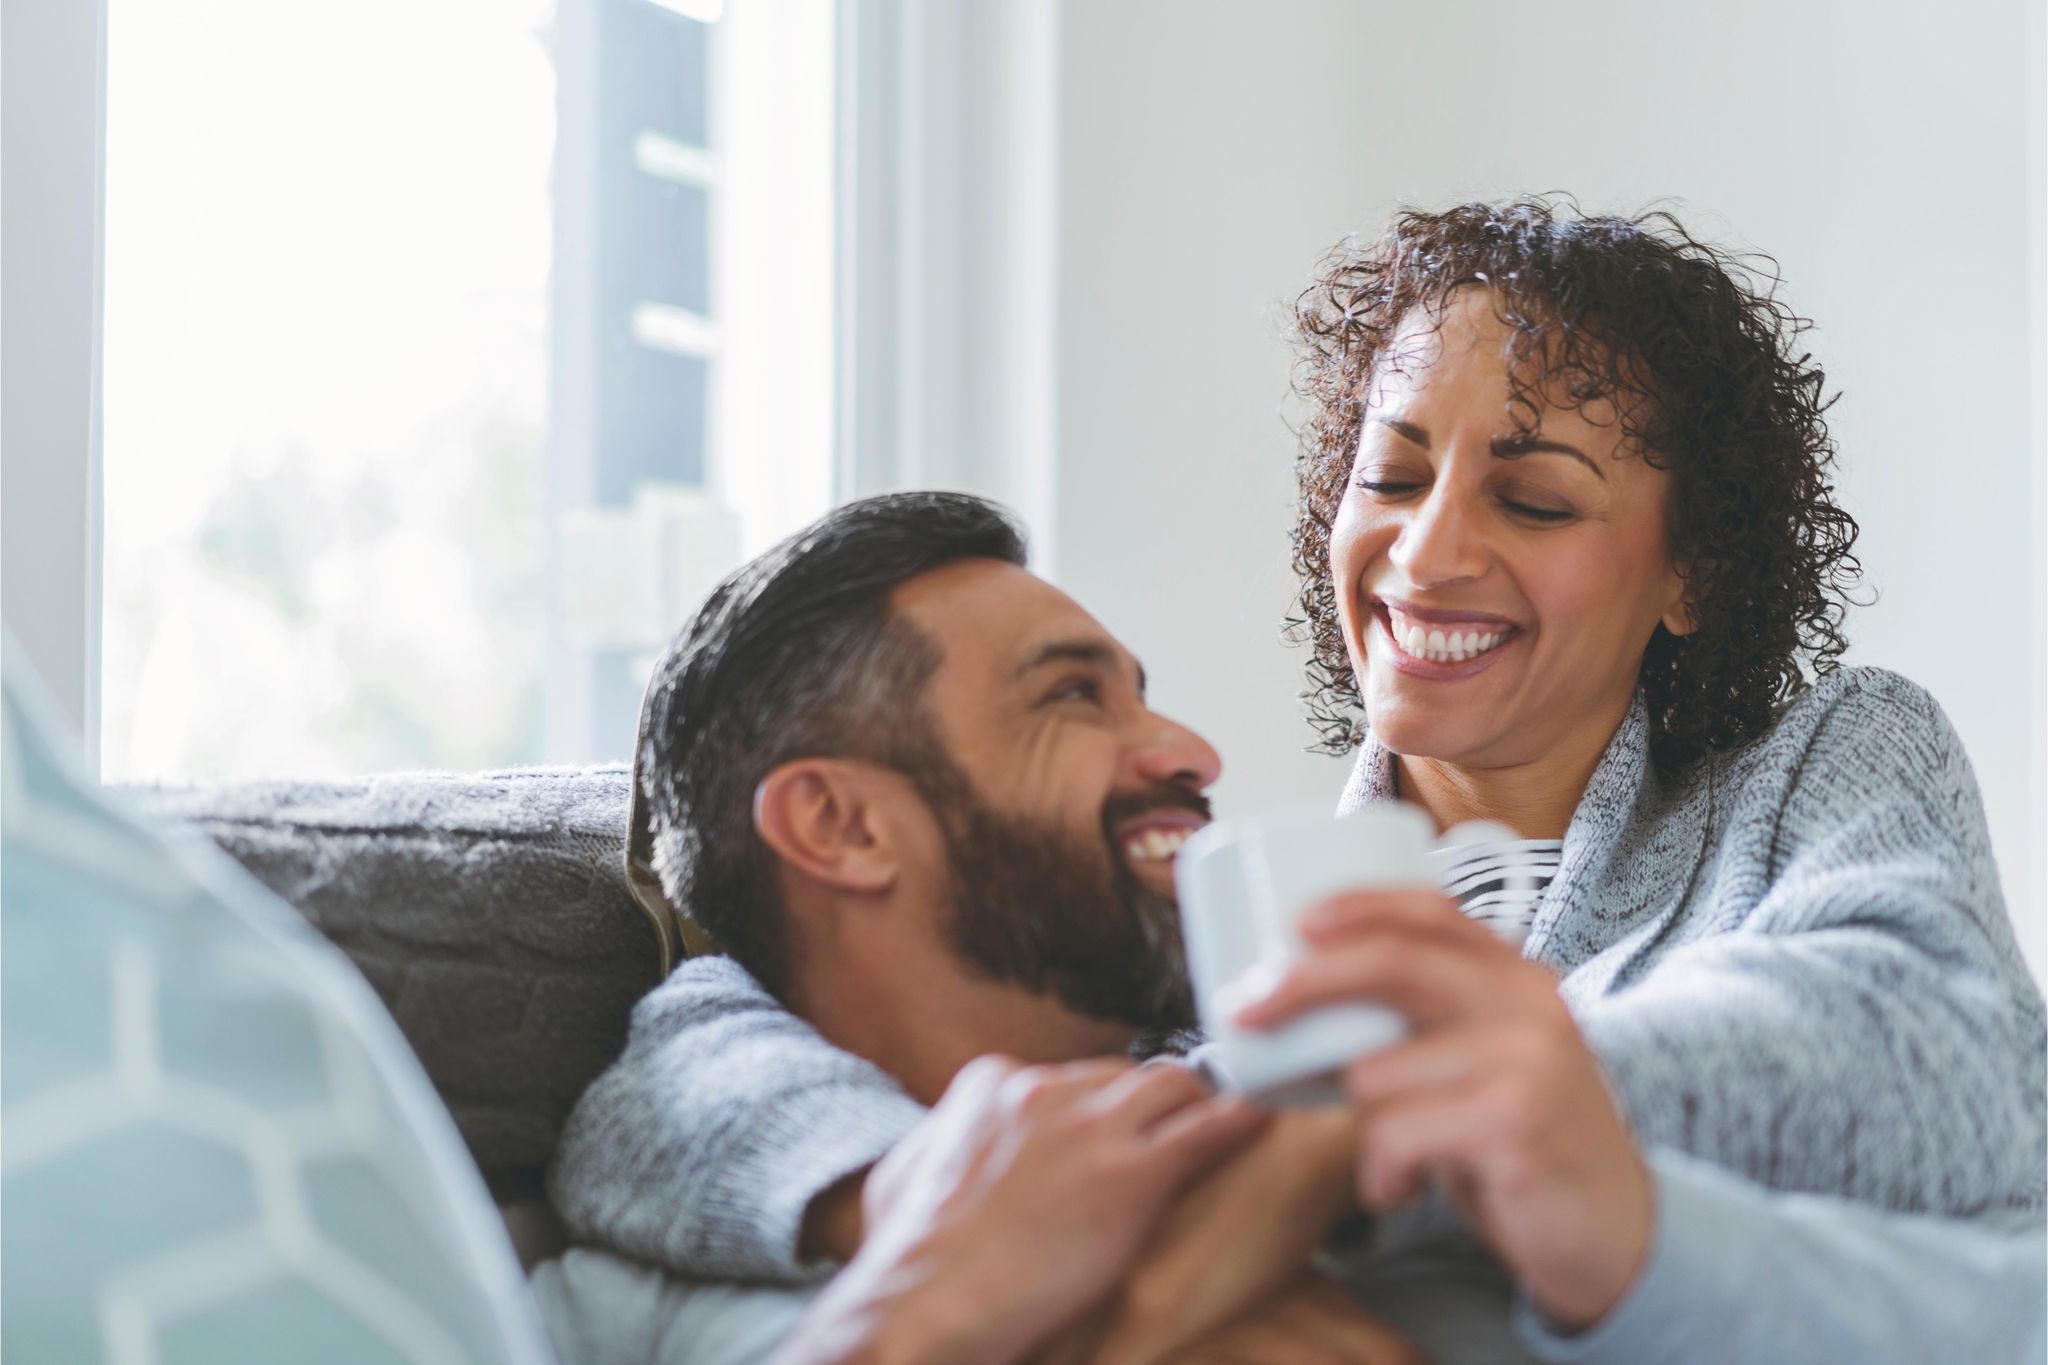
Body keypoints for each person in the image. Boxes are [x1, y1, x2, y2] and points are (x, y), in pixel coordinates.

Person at [548, 201, 2046, 1359]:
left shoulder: (1818, 772)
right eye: (1391, 478)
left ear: (1693, 574)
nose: (1432, 550)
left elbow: (1958, 1065)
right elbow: (697, 1038)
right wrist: (913, 1198)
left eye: (1531, 496)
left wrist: (1353, 1136)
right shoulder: (1191, 917)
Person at [537, 491, 1427, 1364]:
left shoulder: (1311, 1101)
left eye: (1139, 694)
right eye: (1073, 694)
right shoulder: (632, 1310)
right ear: (840, 824)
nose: (1194, 750)